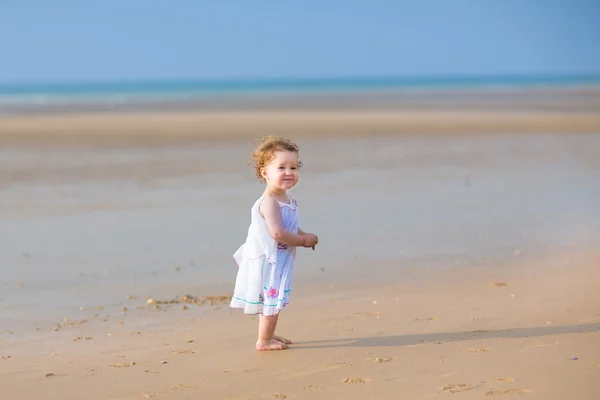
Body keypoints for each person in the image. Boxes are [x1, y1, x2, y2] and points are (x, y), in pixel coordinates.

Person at [230, 136, 319, 351]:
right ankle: (263, 340)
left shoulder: (285, 199)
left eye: (293, 167)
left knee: (272, 301)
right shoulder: (269, 202)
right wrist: (302, 241)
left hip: (277, 259)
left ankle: (268, 333)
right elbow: (278, 233)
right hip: (268, 260)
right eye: (281, 167)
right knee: (272, 301)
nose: (289, 172)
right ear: (265, 173)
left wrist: (303, 233)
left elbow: (288, 225)